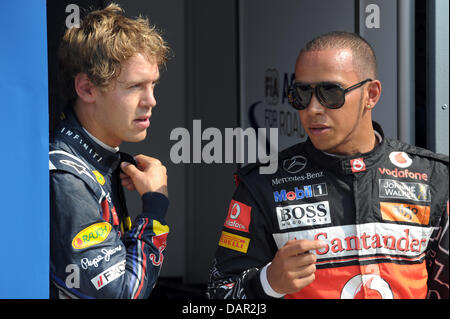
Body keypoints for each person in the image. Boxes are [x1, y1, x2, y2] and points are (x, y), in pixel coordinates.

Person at [207, 31, 449, 299]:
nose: (313, 108)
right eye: (301, 94)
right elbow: (219, 295)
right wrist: (268, 283)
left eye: (330, 93)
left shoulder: (432, 178)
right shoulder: (262, 184)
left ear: (371, 94)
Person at [49, 3, 171, 299]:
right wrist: (155, 209)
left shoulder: (100, 159)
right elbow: (122, 295)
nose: (151, 100)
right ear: (87, 89)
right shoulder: (67, 177)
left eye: (153, 84)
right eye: (135, 87)